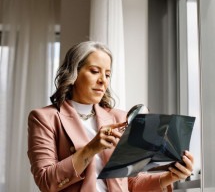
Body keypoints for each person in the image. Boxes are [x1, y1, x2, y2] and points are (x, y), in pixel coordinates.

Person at [27, 41, 194, 192]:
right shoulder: (44, 118)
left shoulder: (120, 118)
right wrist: (90, 149)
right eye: (94, 71)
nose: (103, 81)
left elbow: (130, 183)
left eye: (107, 74)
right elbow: (46, 182)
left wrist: (170, 177)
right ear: (73, 73)